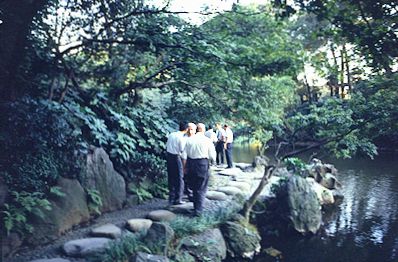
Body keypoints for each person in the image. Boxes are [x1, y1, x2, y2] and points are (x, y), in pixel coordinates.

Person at [182, 123, 216, 216]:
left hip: (191, 163)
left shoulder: (189, 140)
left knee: (194, 186)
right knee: (201, 187)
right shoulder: (207, 141)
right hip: (202, 164)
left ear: (197, 129)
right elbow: (212, 155)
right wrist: (213, 162)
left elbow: (184, 155)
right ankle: (199, 210)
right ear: (203, 130)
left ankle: (195, 207)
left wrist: (184, 168)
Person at [166, 122, 188, 205]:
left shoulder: (171, 134)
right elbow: (182, 149)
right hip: (176, 157)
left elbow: (167, 145)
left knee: (171, 177)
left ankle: (171, 197)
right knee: (179, 178)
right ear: (186, 129)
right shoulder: (181, 137)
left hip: (169, 156)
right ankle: (178, 198)